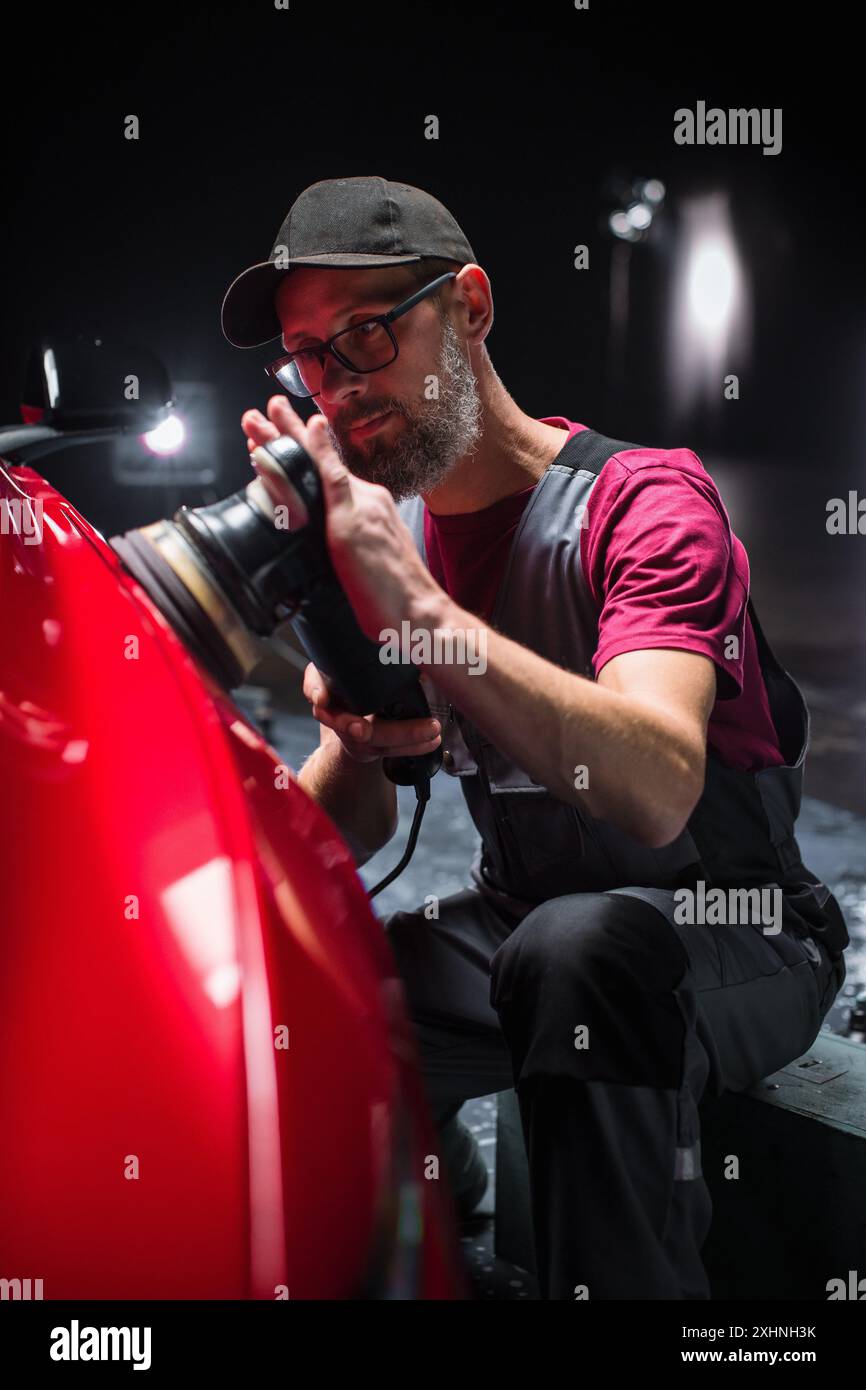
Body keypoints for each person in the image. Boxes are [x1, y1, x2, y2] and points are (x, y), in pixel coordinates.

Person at [222, 175, 849, 1299]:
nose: (338, 386)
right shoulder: (391, 534)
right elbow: (357, 824)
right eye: (309, 357)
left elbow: (657, 784)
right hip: (518, 927)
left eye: (366, 332)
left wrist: (419, 616)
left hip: (728, 928)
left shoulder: (643, 505)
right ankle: (440, 1222)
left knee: (577, 950)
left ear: (470, 305)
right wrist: (354, 730)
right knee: (307, 991)